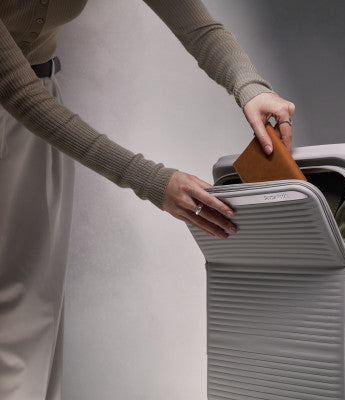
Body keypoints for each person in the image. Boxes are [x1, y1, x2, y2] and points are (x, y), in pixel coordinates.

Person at [0, 1, 295, 399]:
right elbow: (17, 91)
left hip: (37, 117)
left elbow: (196, 26)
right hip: (26, 102)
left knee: (31, 312)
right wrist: (152, 181)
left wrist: (250, 87)